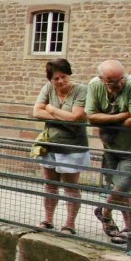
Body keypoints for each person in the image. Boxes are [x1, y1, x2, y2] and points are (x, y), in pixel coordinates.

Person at [86, 60, 131, 248]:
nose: (119, 84)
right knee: (122, 189)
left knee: (122, 186)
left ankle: (104, 211)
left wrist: (106, 121)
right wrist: (123, 115)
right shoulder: (94, 86)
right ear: (102, 80)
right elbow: (91, 116)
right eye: (113, 82)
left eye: (121, 79)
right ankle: (129, 228)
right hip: (111, 145)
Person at [32, 59, 91, 234]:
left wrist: (51, 109)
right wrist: (63, 116)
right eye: (55, 78)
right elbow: (36, 112)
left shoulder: (82, 90)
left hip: (72, 146)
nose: (59, 82)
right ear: (50, 79)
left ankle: (69, 224)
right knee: (50, 185)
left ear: (69, 75)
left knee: (71, 187)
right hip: (49, 143)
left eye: (63, 77)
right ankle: (48, 220)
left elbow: (77, 117)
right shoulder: (48, 88)